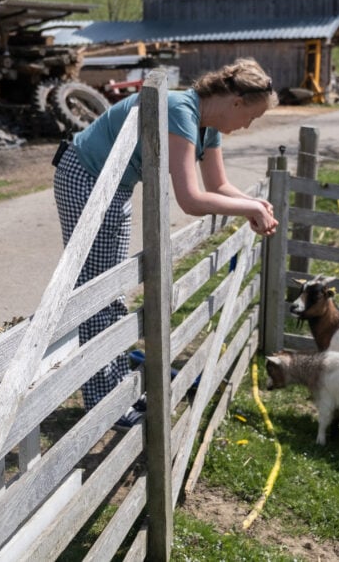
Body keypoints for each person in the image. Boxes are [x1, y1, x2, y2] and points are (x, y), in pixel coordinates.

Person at [53, 58, 280, 430]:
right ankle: (102, 405)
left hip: (115, 186)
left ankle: (112, 389)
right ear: (236, 102)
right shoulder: (180, 110)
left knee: (114, 293)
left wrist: (254, 206)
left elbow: (219, 187)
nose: (246, 126)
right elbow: (190, 199)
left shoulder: (207, 126)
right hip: (86, 176)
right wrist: (249, 207)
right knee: (97, 294)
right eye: (250, 117)